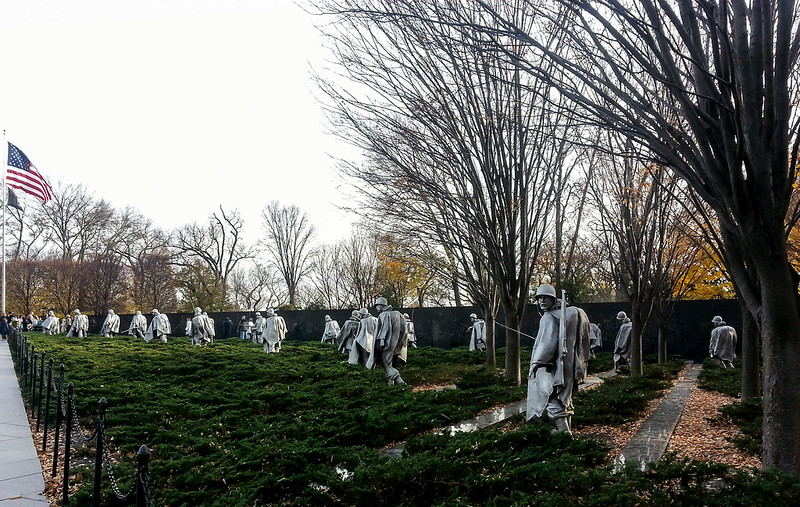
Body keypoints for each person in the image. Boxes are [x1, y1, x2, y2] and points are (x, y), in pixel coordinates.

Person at [526, 284, 590, 434]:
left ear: (553, 299)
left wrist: (537, 362)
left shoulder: (548, 317)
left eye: (545, 298)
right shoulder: (569, 314)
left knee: (552, 397)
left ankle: (565, 433)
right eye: (539, 298)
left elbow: (547, 344)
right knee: (565, 398)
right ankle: (566, 431)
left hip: (553, 367)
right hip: (569, 365)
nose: (542, 301)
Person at [367, 297, 408, 385]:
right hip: (397, 344)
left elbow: (384, 329)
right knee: (390, 363)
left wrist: (381, 341)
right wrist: (400, 342)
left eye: (377, 306)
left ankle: (400, 381)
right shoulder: (398, 314)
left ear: (382, 305)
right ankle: (390, 384)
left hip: (386, 344)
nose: (376, 308)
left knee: (386, 363)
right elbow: (404, 330)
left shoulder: (383, 315)